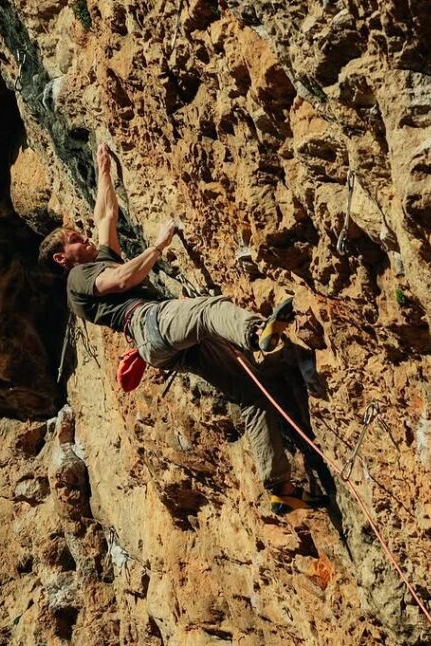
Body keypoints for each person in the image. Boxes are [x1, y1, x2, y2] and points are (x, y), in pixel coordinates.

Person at [39, 143, 318, 514]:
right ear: (62, 257)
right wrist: (158, 246)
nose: (84, 237)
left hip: (160, 344)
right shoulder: (78, 278)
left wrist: (103, 169)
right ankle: (256, 333)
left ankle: (279, 486)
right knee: (207, 310)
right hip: (149, 322)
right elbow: (122, 280)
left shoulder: (97, 258)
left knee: (250, 393)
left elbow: (106, 214)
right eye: (75, 240)